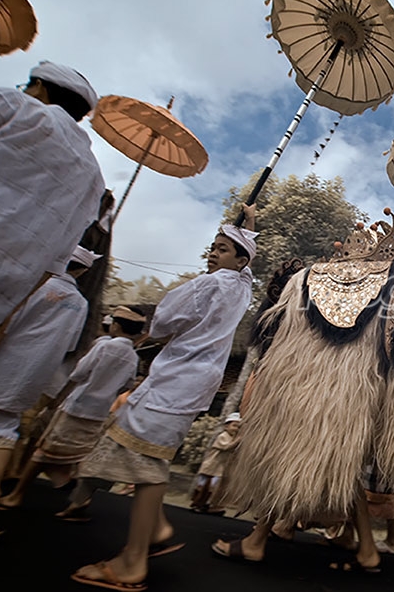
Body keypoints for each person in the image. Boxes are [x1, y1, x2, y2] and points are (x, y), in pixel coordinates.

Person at [70, 205, 256, 590]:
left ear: (238, 260)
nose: (213, 253)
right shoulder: (241, 287)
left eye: (222, 249)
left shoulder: (207, 285)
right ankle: (154, 529)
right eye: (213, 246)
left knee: (147, 464)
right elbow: (247, 265)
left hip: (173, 382)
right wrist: (248, 227)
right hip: (192, 386)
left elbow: (163, 323)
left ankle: (132, 561)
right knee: (147, 455)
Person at [0, 61, 104, 345]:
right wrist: (1, 317)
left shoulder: (14, 105)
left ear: (38, 86)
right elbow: (54, 262)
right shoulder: (93, 175)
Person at [0, 245, 98, 538]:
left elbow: (0, 324)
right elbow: (70, 345)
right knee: (3, 431)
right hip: (29, 378)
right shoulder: (80, 303)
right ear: (83, 270)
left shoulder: (33, 285)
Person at [0, 306, 146, 510]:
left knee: (44, 450)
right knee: (79, 454)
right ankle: (75, 496)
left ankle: (16, 494)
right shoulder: (132, 356)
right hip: (99, 413)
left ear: (117, 326)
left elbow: (79, 373)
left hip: (77, 406)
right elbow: (127, 384)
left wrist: (62, 397)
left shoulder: (105, 346)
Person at [190, 412, 241, 515]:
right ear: (226, 426)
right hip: (211, 464)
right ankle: (198, 503)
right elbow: (226, 447)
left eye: (238, 427)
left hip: (219, 467)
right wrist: (237, 441)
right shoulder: (223, 436)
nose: (236, 429)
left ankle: (208, 504)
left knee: (212, 487)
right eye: (234, 426)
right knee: (203, 485)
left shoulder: (232, 438)